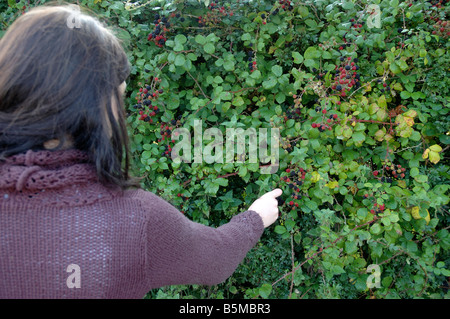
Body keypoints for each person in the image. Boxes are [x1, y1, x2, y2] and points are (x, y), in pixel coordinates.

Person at [0, 4, 282, 298]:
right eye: (118, 96)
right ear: (90, 106)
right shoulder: (133, 218)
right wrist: (255, 218)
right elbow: (214, 259)